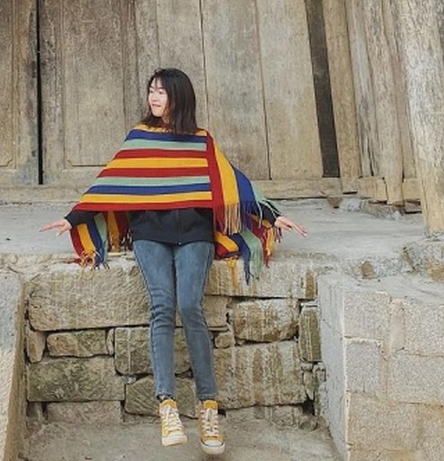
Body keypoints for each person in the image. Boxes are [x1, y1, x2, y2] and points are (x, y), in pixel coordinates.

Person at [42, 67, 307, 456]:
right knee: (162, 306)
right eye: (151, 91)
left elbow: (233, 183)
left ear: (179, 97)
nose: (154, 98)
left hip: (195, 235)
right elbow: (112, 183)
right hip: (149, 234)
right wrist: (72, 219)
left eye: (162, 92)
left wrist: (270, 215)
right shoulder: (139, 137)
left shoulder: (201, 142)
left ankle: (208, 408)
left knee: (190, 306)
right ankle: (167, 405)